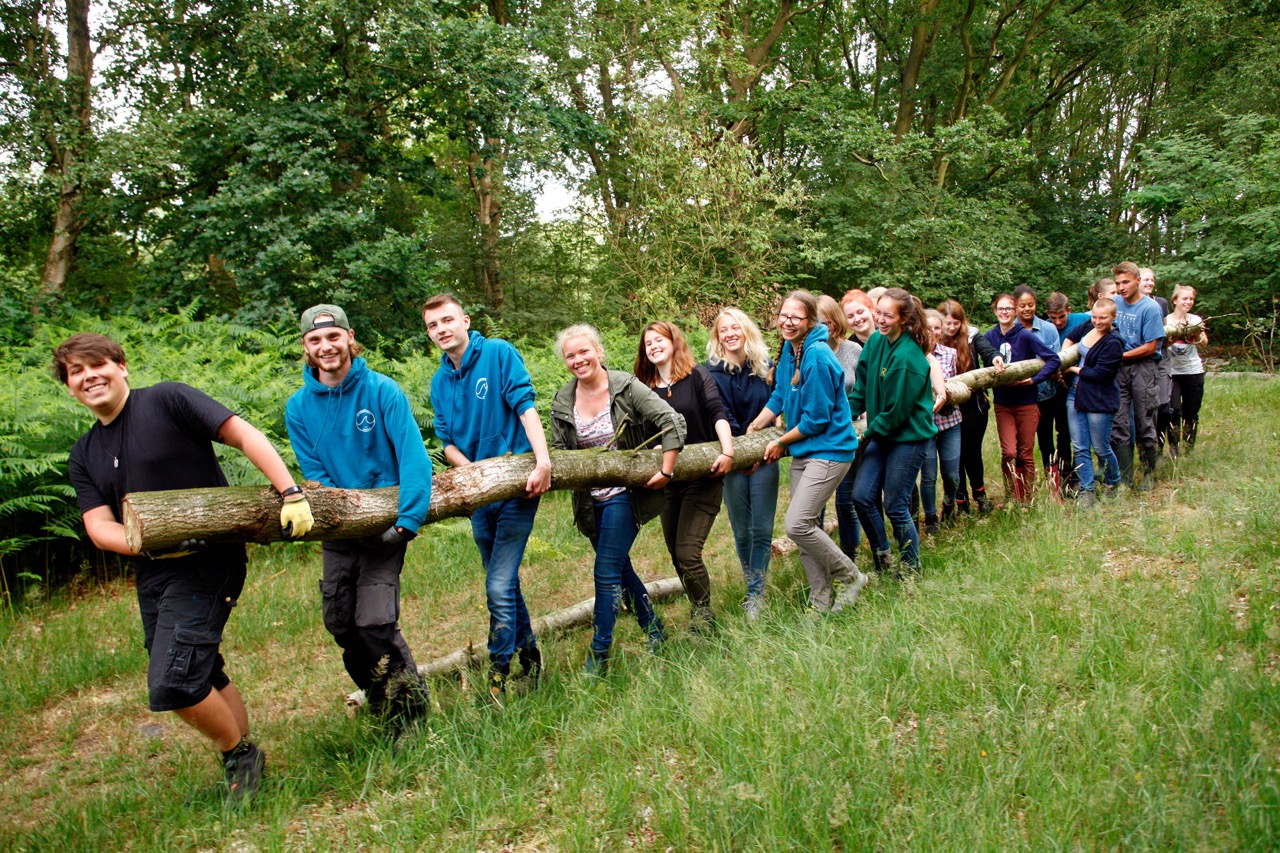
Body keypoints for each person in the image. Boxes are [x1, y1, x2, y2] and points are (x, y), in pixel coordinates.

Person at [56, 332, 314, 803]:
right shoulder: (84, 452)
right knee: (202, 670)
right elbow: (99, 526)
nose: (89, 377)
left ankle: (239, 754)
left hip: (209, 559)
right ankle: (241, 757)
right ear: (70, 387)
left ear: (122, 366)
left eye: (98, 365)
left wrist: (289, 492)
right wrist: (153, 544)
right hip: (154, 568)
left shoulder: (168, 400)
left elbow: (241, 433)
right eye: (77, 372)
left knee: (173, 681)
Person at [285, 304, 431, 730]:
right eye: (315, 340)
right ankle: (380, 696)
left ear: (349, 338)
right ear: (306, 348)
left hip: (388, 526)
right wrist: (344, 513)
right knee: (341, 623)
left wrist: (407, 521)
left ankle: (411, 711)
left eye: (333, 337)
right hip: (339, 530)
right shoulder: (298, 407)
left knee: (375, 623)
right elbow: (314, 471)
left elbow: (413, 458)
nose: (325, 346)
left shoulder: (382, 391)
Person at [423, 293, 552, 704]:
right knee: (505, 583)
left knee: (497, 585)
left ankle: (499, 670)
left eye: (447, 320)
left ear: (464, 320)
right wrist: (474, 474)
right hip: (480, 495)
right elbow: (447, 444)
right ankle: (531, 659)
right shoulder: (439, 382)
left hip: (518, 484)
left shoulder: (497, 353)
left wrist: (543, 462)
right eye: (432, 325)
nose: (441, 330)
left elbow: (525, 407)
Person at [550, 324, 685, 674]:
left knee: (606, 571)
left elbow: (672, 422)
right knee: (621, 569)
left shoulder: (625, 386)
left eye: (584, 352)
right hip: (588, 503)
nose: (578, 360)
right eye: (570, 355)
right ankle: (654, 629)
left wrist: (667, 470)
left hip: (624, 496)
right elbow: (561, 453)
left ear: (599, 352)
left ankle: (599, 655)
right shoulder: (563, 399)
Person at [747, 290, 866, 613]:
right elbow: (781, 396)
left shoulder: (818, 355)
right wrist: (757, 425)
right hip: (805, 450)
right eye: (783, 316)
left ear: (810, 321)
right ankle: (820, 602)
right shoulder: (789, 349)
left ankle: (851, 576)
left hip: (831, 449)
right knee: (805, 528)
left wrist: (780, 441)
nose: (787, 322)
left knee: (797, 524)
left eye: (795, 317)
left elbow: (816, 419)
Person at [635, 321, 734, 633]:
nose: (653, 346)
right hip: (668, 483)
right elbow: (643, 433)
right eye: (648, 343)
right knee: (675, 553)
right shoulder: (643, 387)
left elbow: (718, 414)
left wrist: (728, 451)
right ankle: (696, 605)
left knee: (688, 552)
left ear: (673, 342)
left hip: (703, 478)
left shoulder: (697, 375)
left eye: (659, 340)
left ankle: (704, 614)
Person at [847, 289, 937, 574]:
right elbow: (861, 387)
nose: (881, 320)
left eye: (888, 316)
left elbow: (895, 413)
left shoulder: (909, 358)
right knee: (861, 497)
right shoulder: (876, 341)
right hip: (883, 434)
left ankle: (911, 569)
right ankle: (884, 557)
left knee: (896, 505)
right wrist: (842, 415)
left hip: (907, 439)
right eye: (879, 313)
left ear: (905, 319)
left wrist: (864, 435)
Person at [706, 308, 779, 621]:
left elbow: (778, 403)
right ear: (718, 337)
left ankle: (756, 594)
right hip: (732, 456)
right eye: (724, 330)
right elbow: (719, 413)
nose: (730, 333)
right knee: (741, 531)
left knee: (761, 528)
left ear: (746, 330)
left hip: (766, 455)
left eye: (735, 327)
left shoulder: (767, 368)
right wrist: (742, 451)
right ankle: (753, 585)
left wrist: (761, 444)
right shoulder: (709, 373)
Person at [984, 293, 1062, 505]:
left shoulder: (1025, 335)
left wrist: (1034, 380)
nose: (1005, 313)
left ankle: (1026, 499)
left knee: (1026, 453)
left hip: (1027, 403)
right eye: (1001, 309)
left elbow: (1054, 359)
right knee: (1009, 451)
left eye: (1009, 309)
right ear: (995, 311)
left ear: (1015, 311)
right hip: (1003, 404)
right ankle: (1011, 495)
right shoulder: (990, 337)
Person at [937, 299, 1004, 515]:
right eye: (947, 323)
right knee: (954, 455)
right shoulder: (933, 340)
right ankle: (960, 500)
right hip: (946, 410)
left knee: (972, 452)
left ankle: (980, 495)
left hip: (973, 406)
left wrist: (995, 359)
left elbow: (988, 351)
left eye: (955, 323)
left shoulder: (972, 335)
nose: (951, 328)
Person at [1106, 262, 1165, 490]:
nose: (1121, 287)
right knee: (1119, 422)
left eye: (1126, 282)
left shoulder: (1150, 308)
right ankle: (1126, 478)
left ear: (1138, 281)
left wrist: (1120, 356)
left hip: (1143, 367)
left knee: (1144, 420)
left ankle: (1150, 472)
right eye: (1118, 283)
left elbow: (1151, 346)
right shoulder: (1115, 304)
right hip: (1119, 371)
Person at [1061, 298, 1124, 506]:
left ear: (1113, 317)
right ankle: (1087, 488)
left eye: (1103, 318)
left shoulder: (1114, 342)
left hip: (1099, 398)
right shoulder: (1088, 325)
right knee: (1079, 446)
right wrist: (1065, 354)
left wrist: (1071, 369)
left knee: (1100, 446)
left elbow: (1100, 374)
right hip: (1075, 394)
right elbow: (1071, 336)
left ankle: (1113, 481)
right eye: (1095, 317)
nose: (1097, 321)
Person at [818, 294, 861, 561]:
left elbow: (864, 391)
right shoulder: (805, 352)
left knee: (846, 501)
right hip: (818, 436)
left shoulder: (853, 351)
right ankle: (821, 557)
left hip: (849, 432)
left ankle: (849, 555)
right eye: (819, 323)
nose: (826, 327)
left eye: (829, 321)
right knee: (815, 504)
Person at [1014, 285, 1068, 497]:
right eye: (1022, 306)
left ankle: (1054, 487)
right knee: (1021, 445)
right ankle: (1022, 491)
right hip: (1019, 398)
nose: (1027, 309)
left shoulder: (1048, 329)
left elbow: (1054, 360)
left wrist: (1043, 375)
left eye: (1031, 305)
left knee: (1047, 441)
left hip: (1046, 394)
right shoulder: (1011, 330)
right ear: (1015, 307)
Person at [920, 310, 962, 532]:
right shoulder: (914, 354)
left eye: (936, 328)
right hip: (925, 425)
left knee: (951, 474)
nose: (932, 333)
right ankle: (930, 518)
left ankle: (949, 506)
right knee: (928, 475)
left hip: (949, 422)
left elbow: (956, 383)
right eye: (928, 328)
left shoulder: (950, 354)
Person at [1044, 292, 1091, 491]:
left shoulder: (1081, 320)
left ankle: (1069, 471)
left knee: (1066, 430)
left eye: (1061, 317)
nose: (1058, 322)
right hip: (1049, 387)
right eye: (1053, 318)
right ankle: (1055, 472)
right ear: (1047, 315)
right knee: (1049, 431)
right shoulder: (1045, 327)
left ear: (1068, 311)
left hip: (1073, 384)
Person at [1165, 285, 1207, 456]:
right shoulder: (1166, 320)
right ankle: (1173, 446)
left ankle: (1188, 447)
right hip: (1173, 372)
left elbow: (1204, 344)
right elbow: (1162, 345)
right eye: (1184, 298)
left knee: (1191, 410)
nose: (1188, 302)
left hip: (1194, 371)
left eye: (1191, 299)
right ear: (1175, 300)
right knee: (1173, 410)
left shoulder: (1195, 319)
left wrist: (1197, 335)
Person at [1141, 267, 1174, 452]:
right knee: (1146, 409)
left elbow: (1165, 331)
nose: (1150, 283)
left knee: (1163, 406)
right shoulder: (1129, 304)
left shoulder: (1161, 302)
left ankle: (1159, 446)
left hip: (1161, 358)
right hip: (1141, 360)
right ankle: (1146, 448)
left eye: (1152, 280)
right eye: (1146, 279)